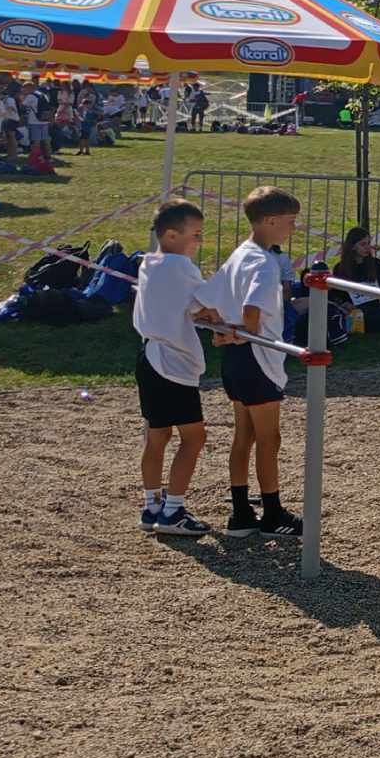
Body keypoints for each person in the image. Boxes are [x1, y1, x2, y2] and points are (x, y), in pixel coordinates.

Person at [194, 185, 304, 538]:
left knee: (244, 434)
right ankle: (272, 512)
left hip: (236, 357)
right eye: (290, 221)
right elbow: (252, 312)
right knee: (269, 438)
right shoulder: (265, 263)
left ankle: (241, 512)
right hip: (258, 357)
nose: (293, 228)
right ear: (270, 221)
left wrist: (224, 329)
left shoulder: (239, 254)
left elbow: (203, 302)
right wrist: (243, 330)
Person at [133, 199, 217, 537]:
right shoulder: (180, 266)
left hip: (149, 358)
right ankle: (173, 510)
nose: (199, 241)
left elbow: (186, 303)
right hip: (172, 364)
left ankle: (152, 505)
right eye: (195, 235)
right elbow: (206, 302)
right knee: (194, 438)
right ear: (171, 235)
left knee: (157, 436)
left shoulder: (149, 263)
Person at [332, 227, 380, 332]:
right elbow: (338, 294)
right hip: (355, 307)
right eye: (363, 244)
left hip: (378, 305)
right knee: (348, 313)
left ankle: (371, 323)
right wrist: (346, 303)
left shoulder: (377, 264)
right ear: (353, 246)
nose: (368, 248)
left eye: (369, 243)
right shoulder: (340, 268)